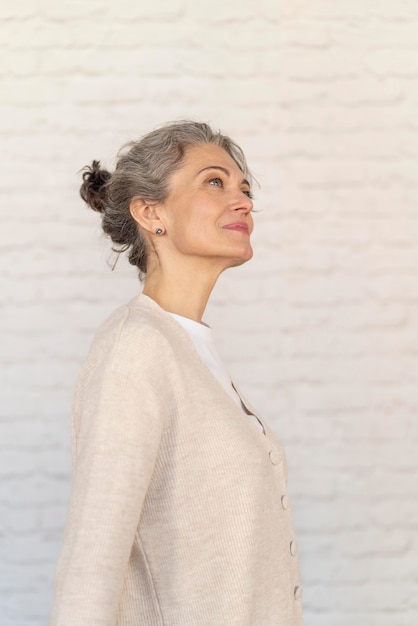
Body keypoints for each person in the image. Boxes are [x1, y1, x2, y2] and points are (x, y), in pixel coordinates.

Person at [49, 120, 304, 626]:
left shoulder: (190, 349)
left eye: (245, 188)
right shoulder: (137, 349)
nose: (244, 201)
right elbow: (91, 562)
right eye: (215, 182)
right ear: (150, 212)